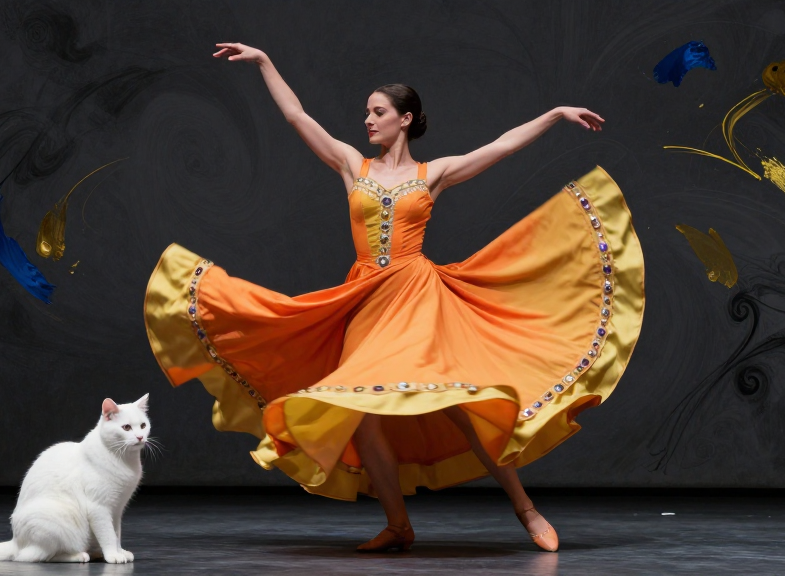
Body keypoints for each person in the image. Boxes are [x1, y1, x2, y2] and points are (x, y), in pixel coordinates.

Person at [144, 42, 644, 552]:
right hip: (365, 300)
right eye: (366, 112)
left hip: (418, 298)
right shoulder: (350, 166)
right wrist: (265, 62)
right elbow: (297, 115)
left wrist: (556, 114)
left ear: (404, 119)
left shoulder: (434, 174)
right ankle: (398, 524)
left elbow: (501, 146)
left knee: (462, 404)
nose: (368, 120)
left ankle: (526, 509)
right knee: (364, 415)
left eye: (377, 112)